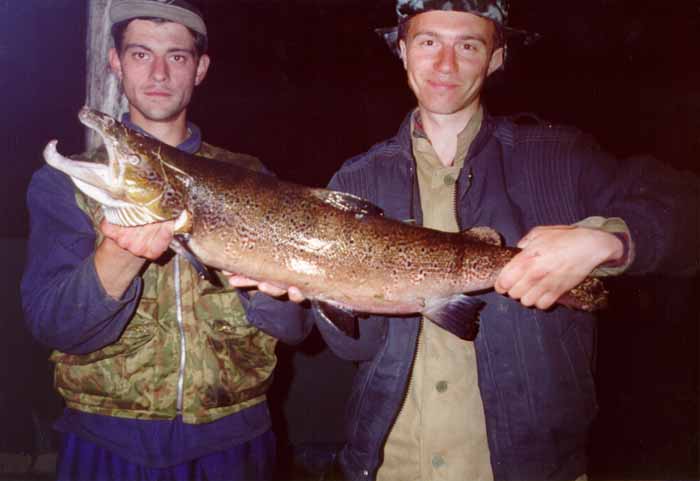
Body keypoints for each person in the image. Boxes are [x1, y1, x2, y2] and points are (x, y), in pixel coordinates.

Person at [233, 1, 699, 480]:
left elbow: (686, 210)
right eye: (428, 42)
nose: (445, 64)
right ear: (402, 50)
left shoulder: (562, 157)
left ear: (496, 58)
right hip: (393, 467)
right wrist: (285, 286)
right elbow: (354, 347)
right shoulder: (355, 182)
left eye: (469, 46)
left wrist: (607, 241)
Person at [20, 1, 312, 480]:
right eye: (140, 54)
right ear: (115, 62)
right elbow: (53, 324)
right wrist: (118, 254)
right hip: (109, 438)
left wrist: (270, 293)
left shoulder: (250, 176)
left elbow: (297, 328)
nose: (159, 73)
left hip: (234, 437)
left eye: (177, 56)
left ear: (200, 68)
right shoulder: (66, 184)